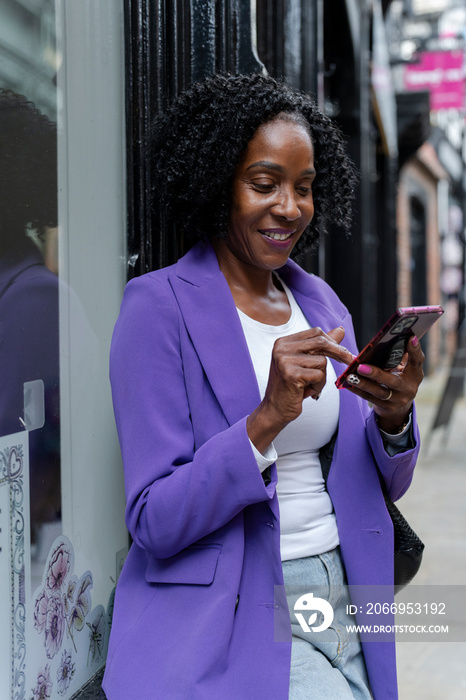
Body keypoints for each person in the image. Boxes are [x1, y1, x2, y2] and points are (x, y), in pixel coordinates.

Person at [103, 73, 423, 700]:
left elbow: (375, 481)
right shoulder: (157, 307)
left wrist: (395, 416)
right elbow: (153, 519)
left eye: (304, 188)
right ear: (219, 183)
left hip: (349, 591)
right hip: (239, 610)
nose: (290, 207)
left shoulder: (319, 300)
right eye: (264, 183)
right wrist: (265, 419)